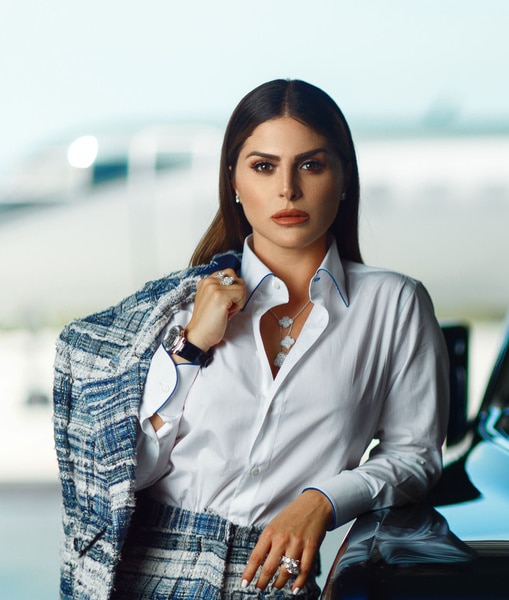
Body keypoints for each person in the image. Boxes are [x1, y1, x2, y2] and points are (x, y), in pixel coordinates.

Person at [53, 79, 449, 599]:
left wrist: (322, 501)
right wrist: (191, 346)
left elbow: (415, 455)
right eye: (264, 167)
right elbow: (131, 473)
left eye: (311, 165)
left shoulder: (394, 304)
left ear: (344, 176)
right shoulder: (179, 307)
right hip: (146, 570)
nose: (287, 189)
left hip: (274, 574)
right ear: (235, 183)